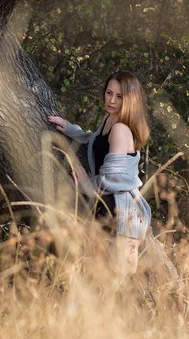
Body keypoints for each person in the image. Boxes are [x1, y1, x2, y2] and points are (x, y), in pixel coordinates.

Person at [47, 70, 151, 273]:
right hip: (105, 206)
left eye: (119, 96)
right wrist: (70, 129)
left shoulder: (121, 129)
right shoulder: (110, 120)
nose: (111, 100)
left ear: (130, 100)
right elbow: (94, 140)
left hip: (118, 211)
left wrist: (86, 185)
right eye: (109, 93)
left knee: (111, 275)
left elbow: (112, 179)